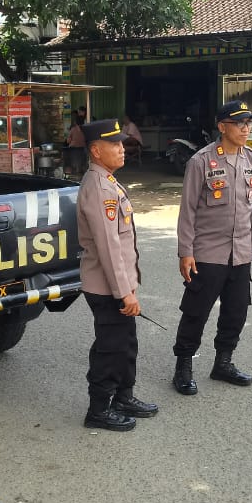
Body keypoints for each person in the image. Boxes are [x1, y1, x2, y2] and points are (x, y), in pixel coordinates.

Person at [171, 101, 252, 395]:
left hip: (240, 253)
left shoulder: (250, 159)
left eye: (248, 123)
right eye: (239, 123)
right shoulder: (201, 161)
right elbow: (187, 211)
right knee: (196, 312)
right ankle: (183, 366)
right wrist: (185, 252)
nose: (246, 129)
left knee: (236, 312)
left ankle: (223, 363)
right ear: (222, 127)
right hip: (208, 253)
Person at [76, 119, 157, 432]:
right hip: (107, 287)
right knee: (110, 348)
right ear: (96, 151)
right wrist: (124, 292)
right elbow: (108, 247)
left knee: (126, 343)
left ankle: (123, 397)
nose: (122, 149)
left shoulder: (108, 181)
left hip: (117, 285)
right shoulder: (99, 188)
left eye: (122, 143)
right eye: (115, 144)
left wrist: (128, 288)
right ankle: (98, 410)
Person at [63, 112, 86, 177]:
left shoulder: (73, 129)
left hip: (73, 149)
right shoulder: (86, 129)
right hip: (83, 149)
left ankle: (70, 172)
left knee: (67, 159)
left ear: (76, 122)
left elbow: (68, 141)